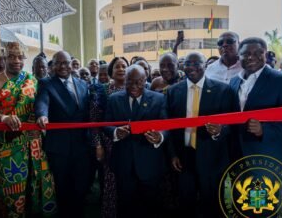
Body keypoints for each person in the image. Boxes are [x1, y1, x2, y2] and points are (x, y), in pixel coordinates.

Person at [0, 42, 56, 217]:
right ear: (5, 58)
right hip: (8, 145)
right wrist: (4, 118)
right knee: (10, 190)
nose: (16, 60)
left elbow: (41, 105)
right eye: (11, 56)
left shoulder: (32, 80)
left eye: (20, 57)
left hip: (34, 142)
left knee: (39, 185)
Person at [167, 52, 237, 217]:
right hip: (184, 157)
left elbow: (232, 123)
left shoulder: (223, 90)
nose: (192, 67)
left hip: (212, 157)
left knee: (211, 204)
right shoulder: (173, 91)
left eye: (197, 63)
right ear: (182, 67)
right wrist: (172, 154)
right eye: (188, 63)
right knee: (185, 203)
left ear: (205, 65)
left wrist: (221, 129)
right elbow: (169, 126)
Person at [104, 65, 167, 218]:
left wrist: (160, 136)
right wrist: (115, 132)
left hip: (150, 163)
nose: (133, 86)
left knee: (151, 206)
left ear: (145, 80)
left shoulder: (159, 99)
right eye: (129, 82)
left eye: (138, 82)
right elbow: (105, 124)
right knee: (126, 207)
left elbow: (166, 125)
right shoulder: (113, 99)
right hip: (123, 164)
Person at [36, 51, 90, 218]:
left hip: (82, 146)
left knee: (81, 187)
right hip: (60, 148)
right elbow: (42, 102)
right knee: (63, 188)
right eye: (58, 63)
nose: (63, 66)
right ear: (53, 65)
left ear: (71, 63)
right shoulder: (46, 83)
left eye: (66, 62)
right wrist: (42, 115)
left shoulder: (82, 84)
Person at [230, 37, 282, 169]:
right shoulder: (234, 81)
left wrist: (264, 130)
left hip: (270, 159)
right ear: (239, 56)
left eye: (257, 53)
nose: (251, 57)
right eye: (246, 54)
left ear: (265, 55)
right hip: (238, 158)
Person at [88, 56, 129, 218]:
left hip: (131, 143)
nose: (121, 69)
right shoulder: (102, 90)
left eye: (124, 66)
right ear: (111, 71)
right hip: (109, 144)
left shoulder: (135, 88)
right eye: (117, 66)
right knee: (111, 182)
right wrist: (98, 145)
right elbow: (94, 120)